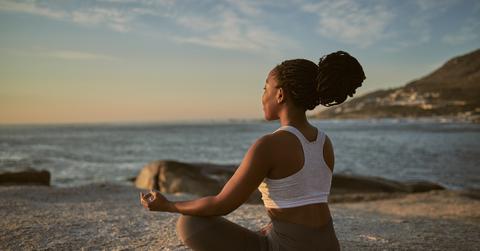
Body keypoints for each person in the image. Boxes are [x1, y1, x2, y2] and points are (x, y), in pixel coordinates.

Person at [140, 51, 365, 251]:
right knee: (265, 231)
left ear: (280, 94)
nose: (262, 95)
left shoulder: (268, 145)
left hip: (288, 246)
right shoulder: (324, 142)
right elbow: (303, 200)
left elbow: (222, 204)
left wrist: (168, 205)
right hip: (328, 245)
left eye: (265, 87)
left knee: (189, 222)